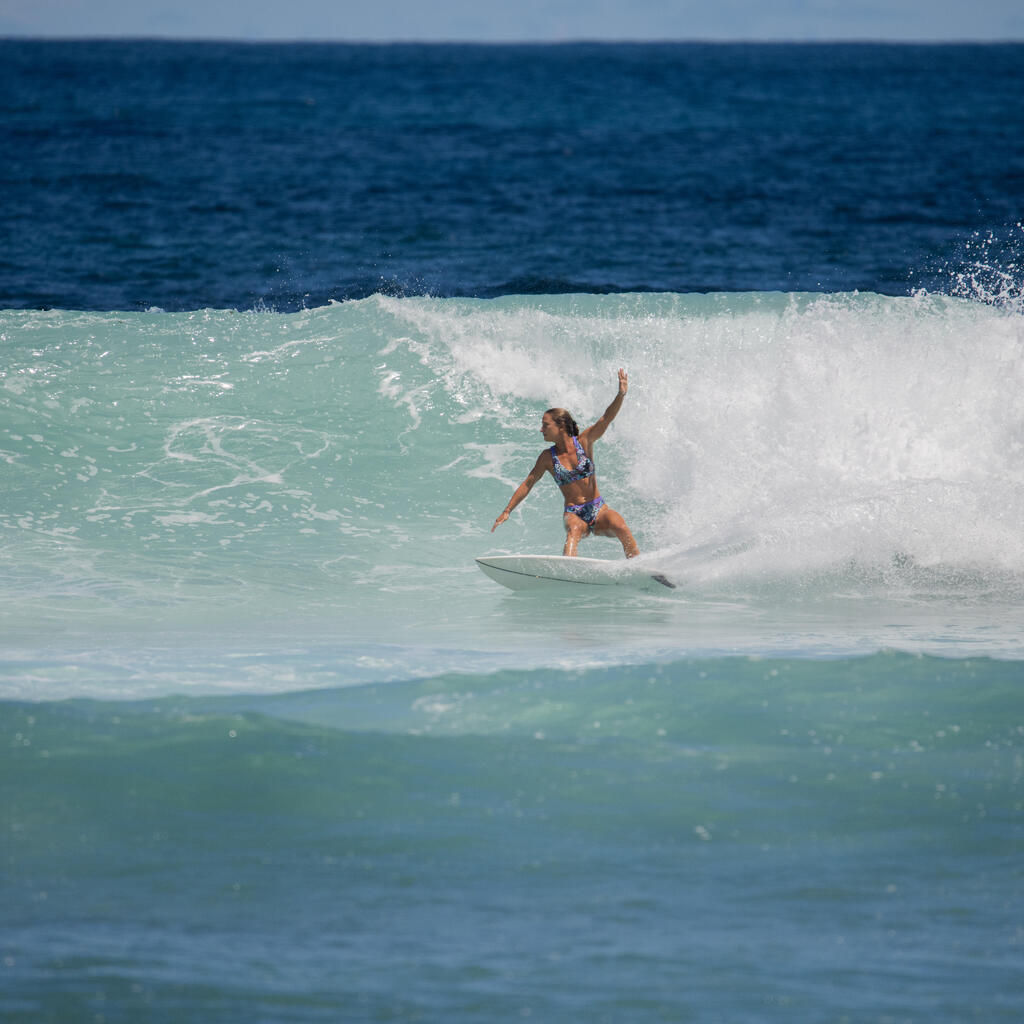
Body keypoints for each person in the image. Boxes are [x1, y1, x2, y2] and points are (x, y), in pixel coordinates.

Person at [491, 368, 639, 558]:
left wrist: (621, 394)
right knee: (574, 531)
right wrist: (507, 511)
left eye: (545, 425)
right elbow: (528, 483)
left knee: (620, 524)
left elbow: (606, 418)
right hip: (574, 513)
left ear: (560, 426)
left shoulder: (584, 442)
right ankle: (568, 571)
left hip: (598, 507)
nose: (541, 429)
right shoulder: (547, 457)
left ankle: (637, 566)